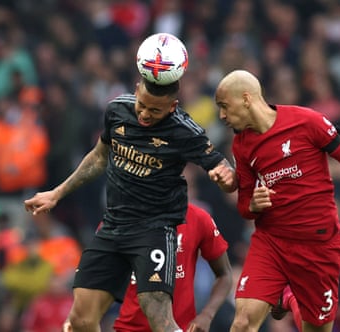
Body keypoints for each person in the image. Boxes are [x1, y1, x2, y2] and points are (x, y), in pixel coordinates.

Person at [214, 69, 340, 332]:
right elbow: (245, 206)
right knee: (242, 323)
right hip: (272, 243)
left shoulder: (307, 122)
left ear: (246, 98)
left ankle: (288, 297)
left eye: (224, 106)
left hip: (318, 247)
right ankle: (285, 292)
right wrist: (253, 205)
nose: (221, 115)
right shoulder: (241, 145)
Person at [24, 75, 237, 332]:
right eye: (142, 105)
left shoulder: (184, 130)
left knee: (158, 315)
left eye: (155, 110)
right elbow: (98, 157)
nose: (145, 114)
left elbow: (222, 169)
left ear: (172, 106)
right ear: (136, 90)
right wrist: (56, 193)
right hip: (113, 224)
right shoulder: (117, 110)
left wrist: (224, 177)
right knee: (79, 321)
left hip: (154, 229)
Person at [62, 203, 232, 332]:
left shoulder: (197, 217)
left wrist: (206, 315)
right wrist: (80, 317)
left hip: (179, 327)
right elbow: (97, 284)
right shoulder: (116, 222)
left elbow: (224, 274)